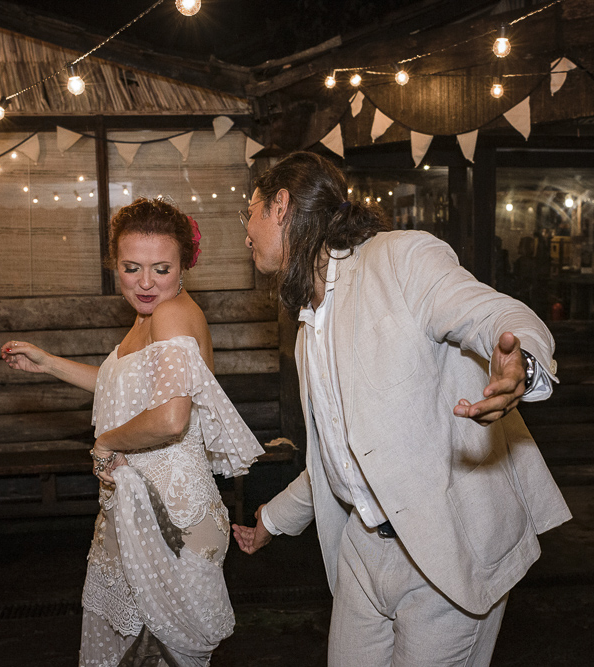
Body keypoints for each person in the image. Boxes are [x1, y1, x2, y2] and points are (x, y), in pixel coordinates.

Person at [232, 152, 571, 667]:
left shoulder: (400, 258)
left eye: (249, 211)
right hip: (363, 552)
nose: (246, 230)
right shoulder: (307, 328)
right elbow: (341, 457)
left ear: (281, 205)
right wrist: (272, 521)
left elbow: (492, 311)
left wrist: (517, 358)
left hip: (446, 546)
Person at [2, 197, 264, 666]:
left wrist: (105, 442)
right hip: (141, 510)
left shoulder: (170, 315)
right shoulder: (149, 316)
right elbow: (119, 386)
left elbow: (170, 419)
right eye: (132, 267)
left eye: (161, 269)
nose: (146, 282)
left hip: (171, 522)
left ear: (184, 266)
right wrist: (49, 364)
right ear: (113, 265)